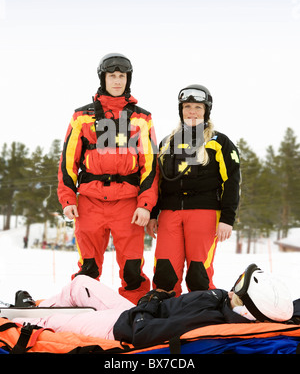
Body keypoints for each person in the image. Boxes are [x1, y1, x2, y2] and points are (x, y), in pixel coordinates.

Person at [57, 53, 158, 304]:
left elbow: (150, 166)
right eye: (111, 75)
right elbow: (68, 160)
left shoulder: (141, 118)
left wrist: (146, 205)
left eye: (121, 76)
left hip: (128, 203)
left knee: (132, 267)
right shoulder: (82, 116)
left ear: (128, 79)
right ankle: (84, 307)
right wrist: (68, 198)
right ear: (103, 78)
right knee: (88, 266)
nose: (116, 80)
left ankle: (136, 312)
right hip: (90, 202)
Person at [9, 264, 297, 348]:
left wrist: (149, 302)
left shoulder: (205, 322)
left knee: (49, 324)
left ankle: (34, 317)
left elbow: (143, 333)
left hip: (119, 327)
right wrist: (159, 300)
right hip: (132, 312)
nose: (232, 288)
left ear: (246, 309)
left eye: (239, 289)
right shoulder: (222, 301)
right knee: (80, 283)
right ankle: (43, 305)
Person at [147, 84, 240, 296]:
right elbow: (157, 182)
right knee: (165, 270)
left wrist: (227, 218)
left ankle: (201, 311)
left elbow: (232, 182)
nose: (192, 111)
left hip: (204, 212)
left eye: (198, 107)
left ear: (206, 110)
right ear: (180, 110)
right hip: (169, 213)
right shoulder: (166, 143)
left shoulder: (219, 142)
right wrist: (153, 214)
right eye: (187, 106)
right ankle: (163, 312)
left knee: (199, 272)